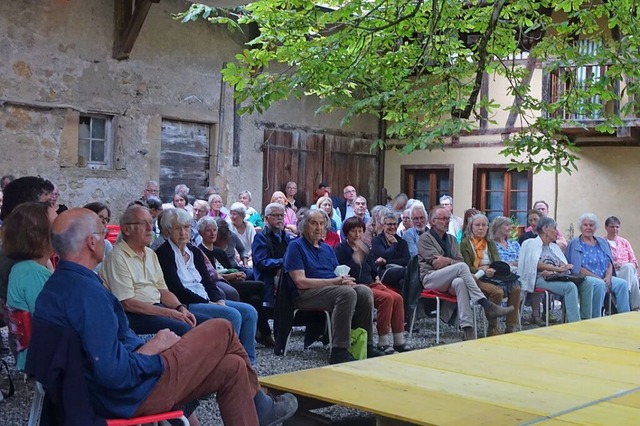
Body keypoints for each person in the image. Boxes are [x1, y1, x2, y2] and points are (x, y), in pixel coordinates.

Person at [32, 208, 297, 424]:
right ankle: (261, 404)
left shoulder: (58, 286)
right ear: (91, 243)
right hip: (129, 396)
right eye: (102, 234)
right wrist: (155, 348)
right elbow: (113, 373)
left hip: (107, 391)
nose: (106, 239)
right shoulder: (87, 295)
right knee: (222, 327)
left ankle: (260, 408)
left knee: (233, 367)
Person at [155, 209, 259, 364]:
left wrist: (218, 299)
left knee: (249, 311)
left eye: (186, 227)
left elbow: (208, 281)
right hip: (188, 303)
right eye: (177, 228)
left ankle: (248, 361)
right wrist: (207, 302)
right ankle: (226, 361)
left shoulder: (194, 252)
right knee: (232, 315)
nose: (183, 232)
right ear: (168, 231)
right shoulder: (164, 253)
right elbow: (176, 289)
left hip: (205, 298)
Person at [284, 209, 384, 364]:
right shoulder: (295, 247)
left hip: (332, 289)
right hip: (306, 294)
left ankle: (367, 345)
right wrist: (335, 283)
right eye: (313, 223)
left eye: (321, 224)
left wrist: (346, 280)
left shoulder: (327, 249)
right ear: (304, 226)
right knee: (346, 293)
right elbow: (300, 281)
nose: (318, 228)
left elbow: (338, 274)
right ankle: (339, 350)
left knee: (364, 291)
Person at [100, 205, 206, 337]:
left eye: (151, 222)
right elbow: (127, 303)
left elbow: (163, 291)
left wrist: (180, 308)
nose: (150, 229)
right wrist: (171, 313)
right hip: (134, 315)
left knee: (211, 323)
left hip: (158, 308)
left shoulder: (150, 254)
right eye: (143, 224)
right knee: (186, 329)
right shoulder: (117, 257)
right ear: (127, 229)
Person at [418, 206, 513, 341]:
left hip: (451, 279)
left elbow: (458, 260)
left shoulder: (450, 239)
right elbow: (436, 263)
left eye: (448, 219)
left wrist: (448, 261)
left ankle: (467, 329)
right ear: (433, 221)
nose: (447, 222)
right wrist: (452, 262)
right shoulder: (425, 238)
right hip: (431, 278)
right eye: (443, 219)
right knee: (462, 267)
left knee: (460, 282)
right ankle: (487, 305)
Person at [335, 217, 411, 354]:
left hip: (371, 283)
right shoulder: (341, 249)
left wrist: (376, 278)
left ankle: (399, 339)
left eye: (360, 231)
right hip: (356, 286)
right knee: (386, 299)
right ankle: (383, 341)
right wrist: (355, 258)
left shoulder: (365, 248)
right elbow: (341, 270)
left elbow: (372, 268)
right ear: (347, 232)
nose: (357, 235)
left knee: (398, 298)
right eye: (353, 231)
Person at [198, 217, 274, 348]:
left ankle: (262, 333)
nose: (212, 233)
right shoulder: (199, 252)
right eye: (208, 231)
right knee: (259, 285)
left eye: (214, 230)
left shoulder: (218, 252)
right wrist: (232, 276)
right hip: (222, 284)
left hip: (232, 282)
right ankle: (262, 332)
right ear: (201, 233)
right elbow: (209, 275)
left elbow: (230, 267)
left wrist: (238, 273)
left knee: (254, 299)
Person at [4, 202, 55, 370]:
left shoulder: (31, 267)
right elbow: (52, 321)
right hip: (42, 358)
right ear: (39, 234)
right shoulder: (31, 272)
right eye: (57, 223)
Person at [518, 216, 593, 322]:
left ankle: (586, 319)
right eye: (554, 228)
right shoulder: (530, 243)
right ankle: (575, 322)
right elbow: (534, 263)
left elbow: (563, 264)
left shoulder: (554, 247)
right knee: (570, 287)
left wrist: (564, 267)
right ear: (545, 229)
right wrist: (556, 269)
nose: (556, 232)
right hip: (540, 278)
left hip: (554, 276)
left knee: (587, 283)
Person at [460, 213, 521, 336]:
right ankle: (492, 328)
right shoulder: (465, 243)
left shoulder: (490, 242)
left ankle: (510, 327)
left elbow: (496, 261)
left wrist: (492, 269)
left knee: (516, 288)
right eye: (477, 225)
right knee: (497, 292)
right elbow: (465, 266)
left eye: (484, 225)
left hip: (493, 275)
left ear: (488, 227)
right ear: (471, 227)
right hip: (475, 276)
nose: (481, 228)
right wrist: (481, 269)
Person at [565, 213, 629, 316]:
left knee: (622, 284)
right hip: (585, 278)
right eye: (585, 225)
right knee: (600, 285)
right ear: (580, 227)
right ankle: (596, 317)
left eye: (591, 225)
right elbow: (577, 267)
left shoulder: (601, 242)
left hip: (604, 277)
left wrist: (608, 277)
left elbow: (609, 262)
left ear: (595, 227)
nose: (588, 228)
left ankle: (624, 317)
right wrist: (599, 279)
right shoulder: (576, 243)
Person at [252, 203, 292, 311]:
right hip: (267, 280)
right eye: (275, 215)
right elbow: (261, 263)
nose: (279, 218)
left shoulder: (286, 237)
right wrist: (283, 262)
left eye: (281, 215)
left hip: (285, 277)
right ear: (266, 218)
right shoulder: (260, 237)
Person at [604, 216, 640, 311]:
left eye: (617, 227)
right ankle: (635, 307)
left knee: (628, 267)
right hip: (613, 273)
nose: (615, 229)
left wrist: (625, 266)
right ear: (606, 228)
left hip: (627, 271)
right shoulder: (602, 242)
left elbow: (634, 261)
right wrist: (616, 265)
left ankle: (625, 295)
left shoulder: (624, 242)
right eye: (612, 226)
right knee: (634, 280)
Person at [371, 210, 411, 293]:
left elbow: (406, 260)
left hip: (398, 271)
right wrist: (394, 244)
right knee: (408, 271)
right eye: (389, 224)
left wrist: (386, 261)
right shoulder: (377, 240)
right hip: (383, 271)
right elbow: (383, 255)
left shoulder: (402, 242)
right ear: (383, 225)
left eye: (394, 224)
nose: (392, 227)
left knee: (402, 283)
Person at [83, 202, 114, 272]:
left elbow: (113, 268)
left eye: (106, 219)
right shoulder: (79, 244)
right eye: (100, 217)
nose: (104, 222)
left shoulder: (106, 244)